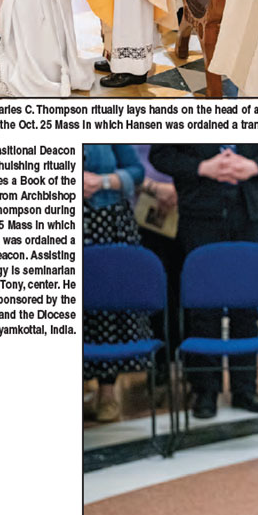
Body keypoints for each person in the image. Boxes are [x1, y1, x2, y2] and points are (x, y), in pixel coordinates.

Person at [149, 144, 258, 419]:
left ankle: (245, 388)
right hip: (198, 208)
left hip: (249, 207)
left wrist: (256, 166)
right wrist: (201, 167)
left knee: (246, 303)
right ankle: (205, 390)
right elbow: (160, 154)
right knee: (203, 307)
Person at [83, 145, 149, 422]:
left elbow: (137, 170)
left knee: (109, 311)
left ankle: (108, 393)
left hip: (109, 224)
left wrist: (104, 181)